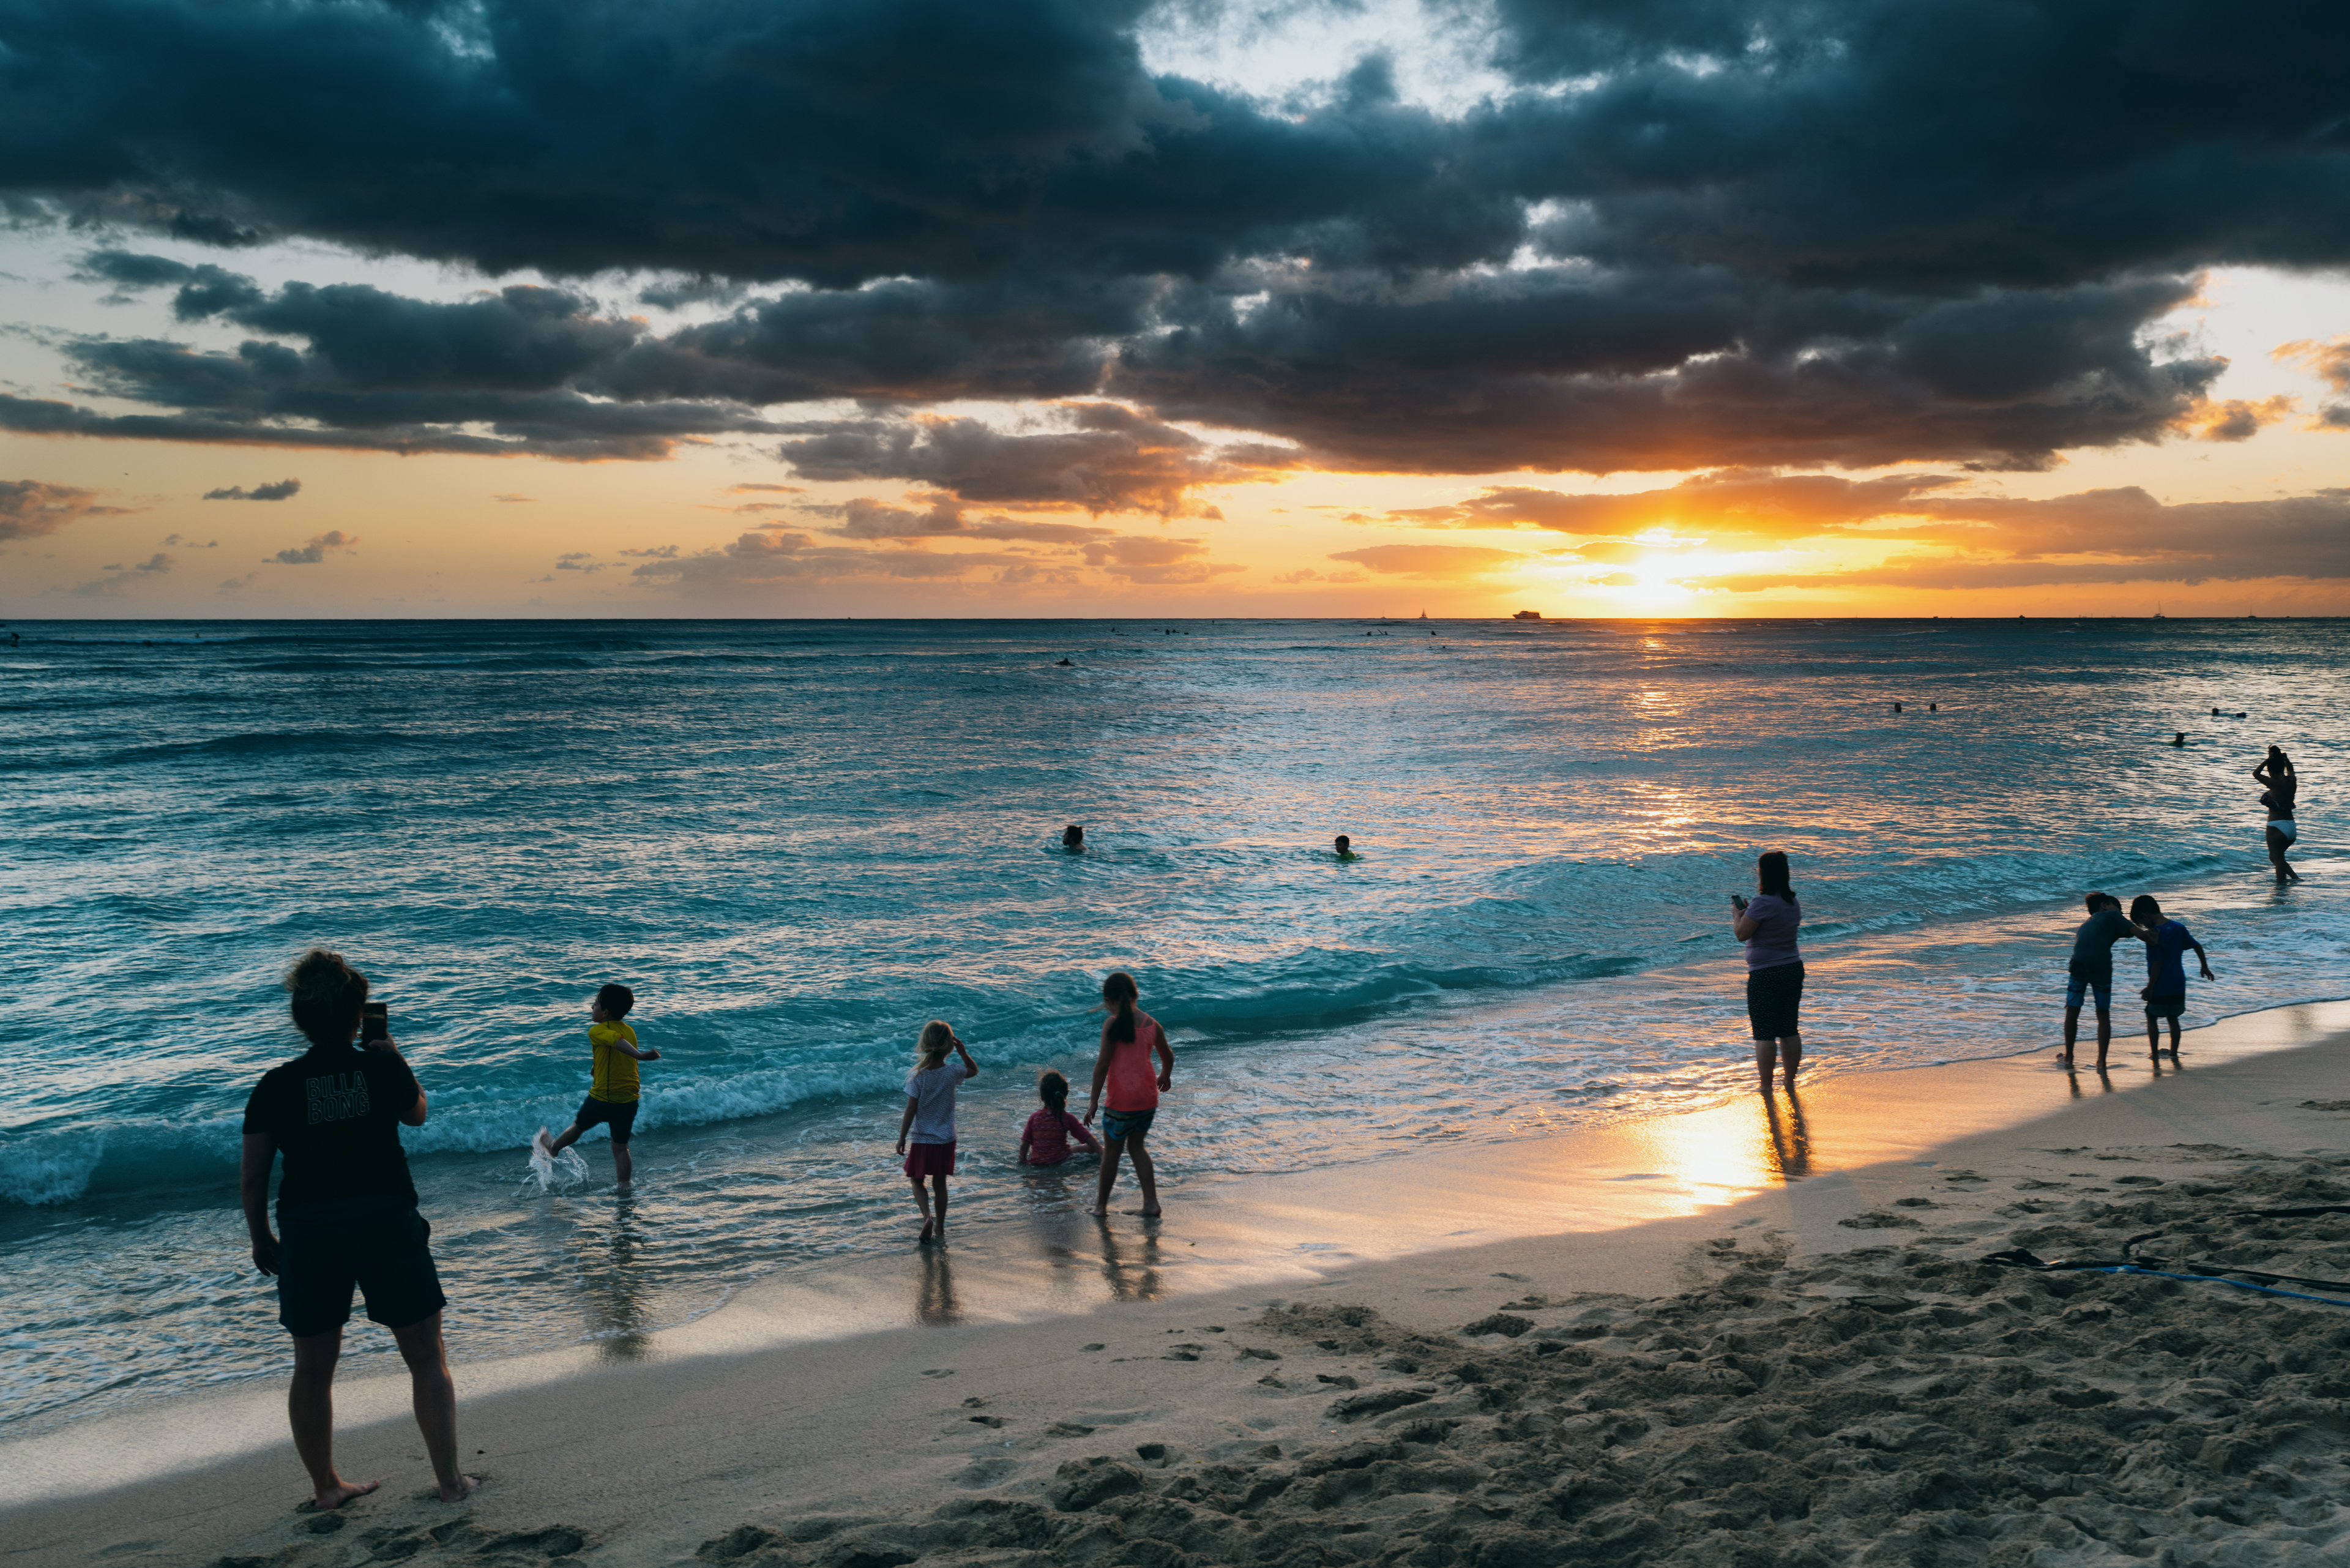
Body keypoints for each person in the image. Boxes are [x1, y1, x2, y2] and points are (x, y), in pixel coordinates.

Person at [239, 949, 479, 1509]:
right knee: (425, 1355)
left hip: (310, 1228)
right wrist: (394, 1058)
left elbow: (254, 1179)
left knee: (314, 1367)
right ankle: (449, 1482)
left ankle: (326, 1487)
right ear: (358, 1018)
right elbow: (417, 1115)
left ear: (301, 1020)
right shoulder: (379, 1067)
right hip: (384, 1218)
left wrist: (261, 1238)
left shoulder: (275, 1084)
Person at [535, 984, 660, 1187]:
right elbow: (614, 1051)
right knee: (621, 1148)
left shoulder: (597, 1030)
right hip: (629, 1100)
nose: (591, 1008)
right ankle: (625, 1186)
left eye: (595, 1005)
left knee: (579, 1126)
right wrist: (597, 1066)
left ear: (605, 1013)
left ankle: (554, 1147)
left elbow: (615, 1042)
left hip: (603, 1098)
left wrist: (640, 1055)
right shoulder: (629, 1031)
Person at [1084, 972, 1175, 1217]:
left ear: (1108, 1000)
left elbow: (1102, 1065)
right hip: (1147, 1100)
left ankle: (1101, 1208)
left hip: (1120, 1103)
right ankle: (1151, 1204)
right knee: (1137, 1148)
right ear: (1136, 995)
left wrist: (1093, 1101)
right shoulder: (1152, 1025)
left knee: (1112, 1153)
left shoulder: (1112, 1024)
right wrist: (1165, 1075)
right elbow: (1168, 1055)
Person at [896, 1021, 978, 1241]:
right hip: (946, 1138)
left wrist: (902, 1137)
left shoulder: (919, 1077)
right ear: (949, 1047)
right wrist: (963, 1052)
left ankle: (927, 1218)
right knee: (940, 1184)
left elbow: (911, 1109)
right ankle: (940, 1230)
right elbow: (973, 1070)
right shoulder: (952, 1072)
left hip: (923, 1138)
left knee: (916, 1179)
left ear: (924, 1044)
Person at [1729, 852, 1805, 1092]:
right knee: (1788, 1028)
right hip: (1792, 968)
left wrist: (1737, 916)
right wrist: (1753, 914)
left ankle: (1766, 1087)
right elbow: (1774, 925)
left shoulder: (1763, 903)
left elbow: (1742, 934)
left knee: (1764, 1032)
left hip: (1765, 973)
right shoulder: (1791, 902)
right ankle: (1789, 1082)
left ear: (1763, 874)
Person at [2129, 895, 2214, 1058]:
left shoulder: (2153, 934)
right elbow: (2197, 946)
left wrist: (2150, 987)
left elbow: (2157, 962)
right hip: (2178, 981)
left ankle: (2154, 1053)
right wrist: (2204, 966)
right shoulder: (2178, 927)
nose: (2144, 927)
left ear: (2145, 915)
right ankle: (2174, 1052)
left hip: (2161, 984)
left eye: (2142, 923)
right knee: (2173, 1018)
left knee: (2152, 1016)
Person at [2061, 893, 2137, 1069]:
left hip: (2078, 967)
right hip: (2100, 968)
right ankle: (2101, 1061)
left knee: (2072, 1011)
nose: (2121, 914)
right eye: (2119, 910)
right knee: (2103, 1013)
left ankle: (2069, 1057)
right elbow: (2132, 932)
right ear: (2105, 906)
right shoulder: (2112, 917)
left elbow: (2127, 933)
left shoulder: (2089, 924)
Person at [1018, 1069, 1100, 1167]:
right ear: (1065, 1094)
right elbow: (1088, 1138)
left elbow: (1024, 1145)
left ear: (1042, 1097)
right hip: (1060, 1161)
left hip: (1038, 1163)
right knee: (1089, 1147)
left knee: (1033, 1146)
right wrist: (1102, 1153)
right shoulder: (1067, 1118)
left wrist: (1022, 1162)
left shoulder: (1034, 1118)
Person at [2253, 746, 2300, 884]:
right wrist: (2286, 760)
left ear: (2271, 771)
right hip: (2291, 827)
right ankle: (2295, 879)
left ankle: (2280, 893)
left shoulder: (2274, 783)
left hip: (2276, 826)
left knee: (2278, 860)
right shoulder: (2292, 781)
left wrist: (2268, 760)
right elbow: (2291, 769)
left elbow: (2256, 774)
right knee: (2275, 858)